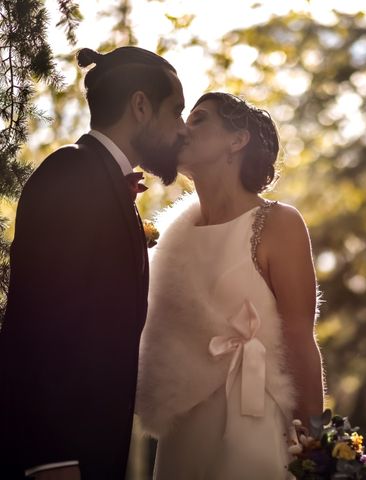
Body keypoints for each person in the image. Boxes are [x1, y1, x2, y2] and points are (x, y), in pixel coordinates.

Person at [0, 46, 187, 479]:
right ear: (140, 105)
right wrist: (53, 460)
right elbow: (39, 326)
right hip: (58, 460)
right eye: (175, 112)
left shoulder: (105, 183)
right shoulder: (71, 174)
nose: (182, 130)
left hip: (96, 453)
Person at [135, 92, 324, 479]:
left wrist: (315, 451)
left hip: (252, 421)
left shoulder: (278, 224)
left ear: (237, 141)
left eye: (200, 118)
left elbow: (301, 339)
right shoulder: (171, 235)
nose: (184, 127)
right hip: (181, 433)